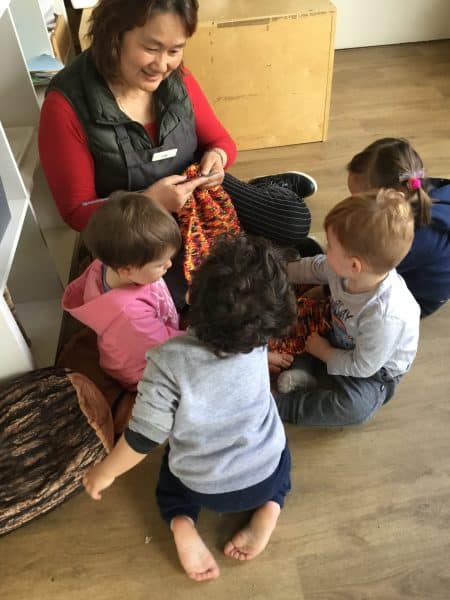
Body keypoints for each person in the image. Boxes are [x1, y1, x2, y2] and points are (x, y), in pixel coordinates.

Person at [83, 234, 297, 582]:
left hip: (202, 487)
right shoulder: (256, 338)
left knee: (169, 480)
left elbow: (143, 437)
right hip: (264, 472)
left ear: (189, 296)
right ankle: (271, 505)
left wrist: (105, 472)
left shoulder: (167, 360)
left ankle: (182, 521)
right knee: (282, 456)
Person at [38, 0, 316, 247]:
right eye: (151, 48)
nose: (161, 65)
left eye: (175, 50)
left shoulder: (175, 79)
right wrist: (149, 201)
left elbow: (221, 142)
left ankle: (268, 188)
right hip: (132, 225)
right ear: (114, 35)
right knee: (187, 290)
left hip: (195, 193)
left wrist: (217, 158)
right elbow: (77, 213)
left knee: (293, 221)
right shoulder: (66, 106)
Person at [274, 189, 420, 428]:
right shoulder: (342, 269)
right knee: (301, 315)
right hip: (341, 332)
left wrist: (324, 352)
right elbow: (310, 268)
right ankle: (304, 371)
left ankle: (284, 406)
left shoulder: (385, 316)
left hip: (374, 371)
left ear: (354, 265)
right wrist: (274, 272)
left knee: (355, 408)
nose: (325, 249)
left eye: (330, 246)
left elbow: (363, 366)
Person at [62, 191, 183, 390]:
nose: (169, 265)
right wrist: (197, 336)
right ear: (127, 269)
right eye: (160, 264)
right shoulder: (130, 315)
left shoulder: (108, 264)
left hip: (142, 339)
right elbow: (164, 346)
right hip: (142, 371)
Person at [347, 137, 450, 317]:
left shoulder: (409, 238)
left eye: (360, 199)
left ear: (395, 196)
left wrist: (325, 290)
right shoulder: (413, 185)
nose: (353, 203)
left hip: (418, 299)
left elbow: (362, 272)